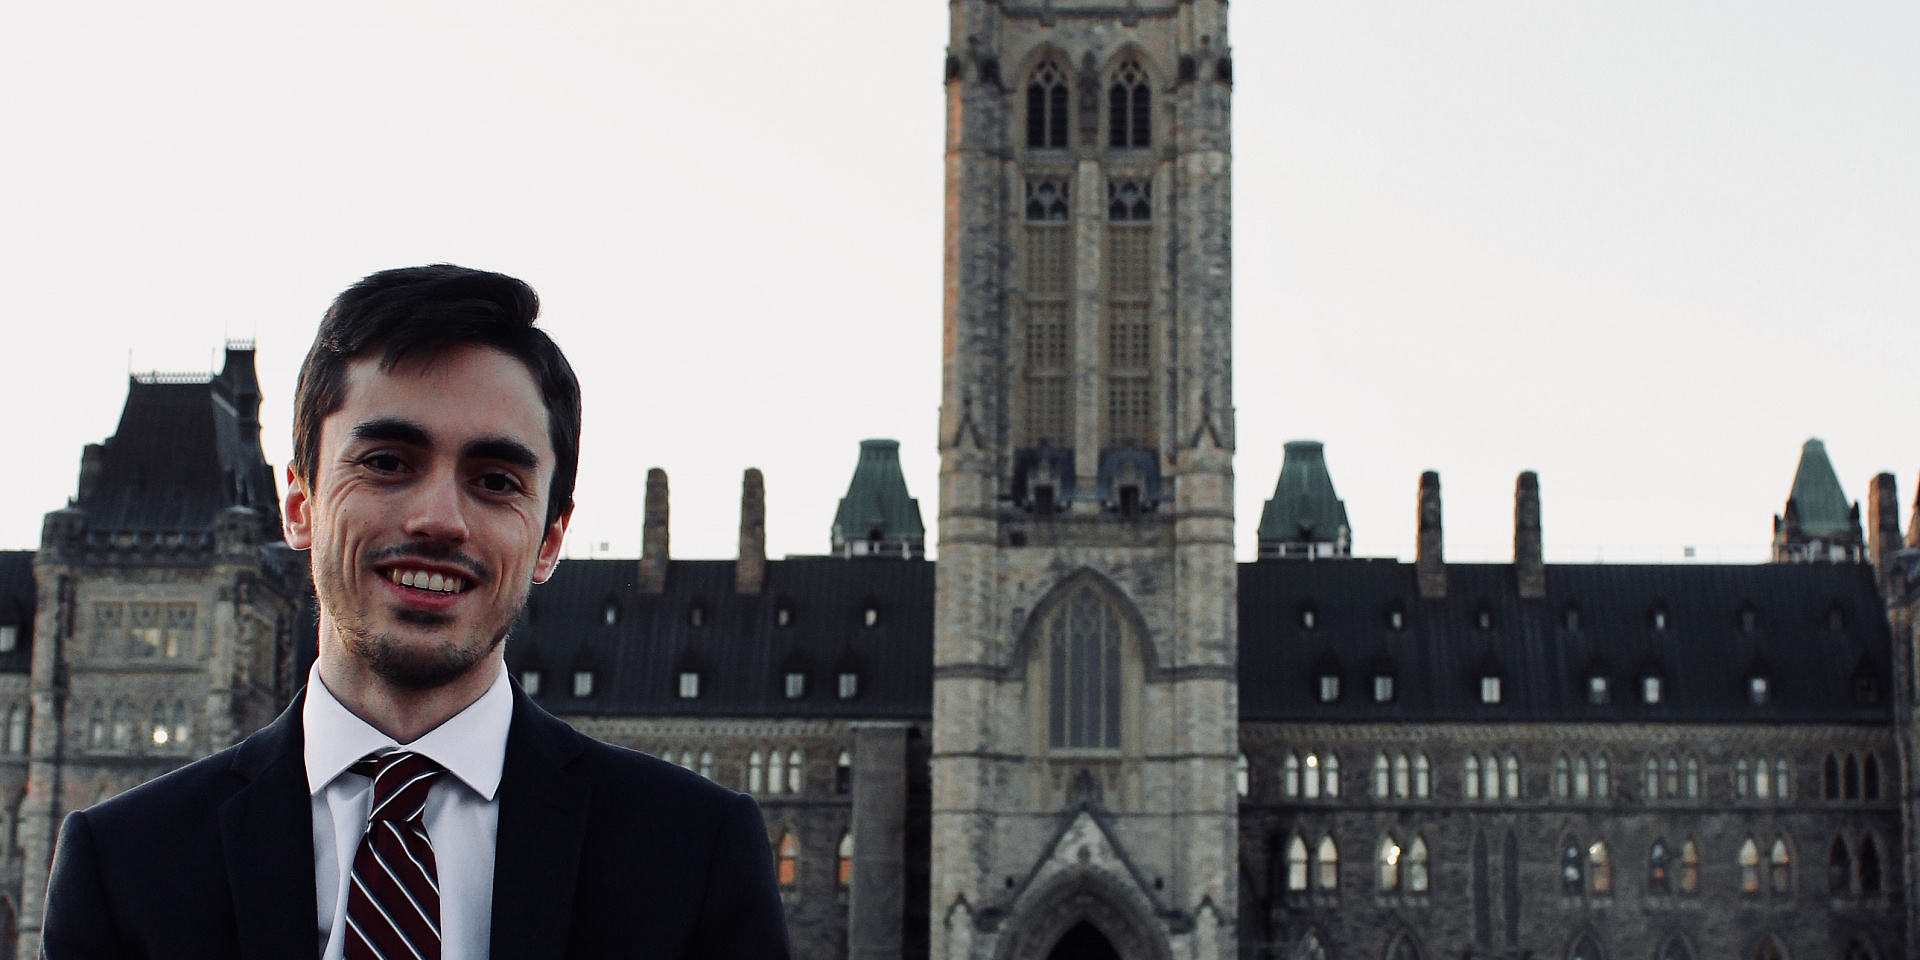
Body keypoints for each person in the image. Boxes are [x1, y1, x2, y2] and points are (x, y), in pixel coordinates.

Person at [39, 265, 790, 959]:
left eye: (495, 480)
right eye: (387, 462)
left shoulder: (695, 855)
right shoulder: (123, 866)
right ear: (297, 505)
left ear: (550, 539)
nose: (439, 518)